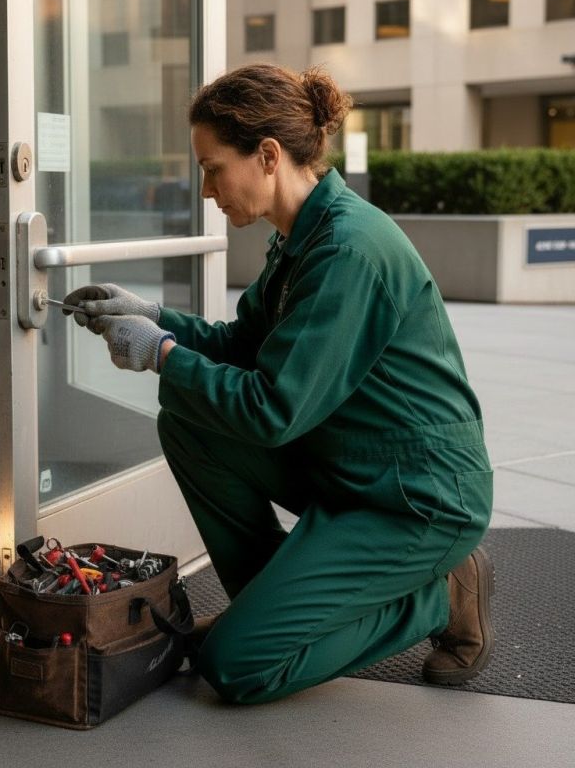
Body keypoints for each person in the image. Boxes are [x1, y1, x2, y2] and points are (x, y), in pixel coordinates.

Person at [64, 64, 494, 705]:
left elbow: (272, 410)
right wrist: (155, 318)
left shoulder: (348, 251)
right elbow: (244, 348)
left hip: (418, 497)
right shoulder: (301, 236)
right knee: (188, 419)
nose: (205, 187)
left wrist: (161, 354)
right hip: (352, 464)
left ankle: (440, 595)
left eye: (212, 168)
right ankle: (266, 618)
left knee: (238, 669)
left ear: (267, 156)